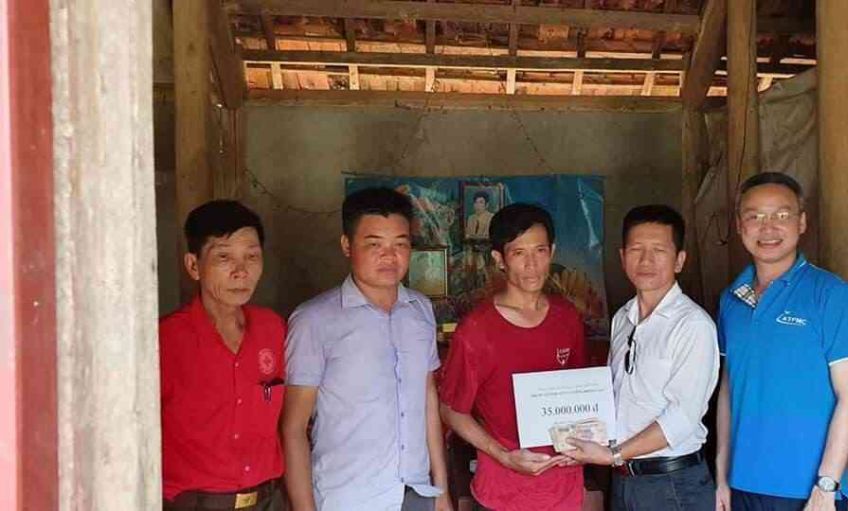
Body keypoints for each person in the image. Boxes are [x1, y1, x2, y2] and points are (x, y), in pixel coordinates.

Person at [281, 187, 452, 511]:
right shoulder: (314, 320)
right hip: (349, 497)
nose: (389, 256)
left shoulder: (420, 311)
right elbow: (293, 429)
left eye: (400, 244)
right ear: (347, 245)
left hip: (417, 494)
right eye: (374, 244)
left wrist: (440, 490)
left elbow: (427, 398)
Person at [715, 172, 848, 511]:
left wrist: (826, 486)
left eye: (781, 215)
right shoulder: (731, 300)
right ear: (739, 226)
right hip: (742, 485)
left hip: (807, 490)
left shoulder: (831, 295)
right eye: (755, 216)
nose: (768, 228)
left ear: (801, 223)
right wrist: (722, 476)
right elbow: (728, 388)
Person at [562, 205, 719, 511]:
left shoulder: (693, 325)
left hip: (672, 485)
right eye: (636, 249)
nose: (646, 260)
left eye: (659, 250)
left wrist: (614, 454)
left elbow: (682, 417)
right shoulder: (623, 318)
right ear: (622, 257)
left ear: (679, 260)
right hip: (625, 479)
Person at [439, 203, 587, 511]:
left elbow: (581, 391)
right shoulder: (477, 330)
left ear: (552, 252)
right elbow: (452, 410)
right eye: (519, 253)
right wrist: (504, 456)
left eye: (540, 251)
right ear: (499, 259)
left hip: (564, 489)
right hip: (503, 492)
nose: (532, 264)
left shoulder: (567, 317)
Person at [160, 200, 286, 510]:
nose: (241, 271)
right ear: (194, 266)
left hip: (268, 500)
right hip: (192, 503)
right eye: (224, 257)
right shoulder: (165, 340)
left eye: (251, 256)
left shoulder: (273, 330)